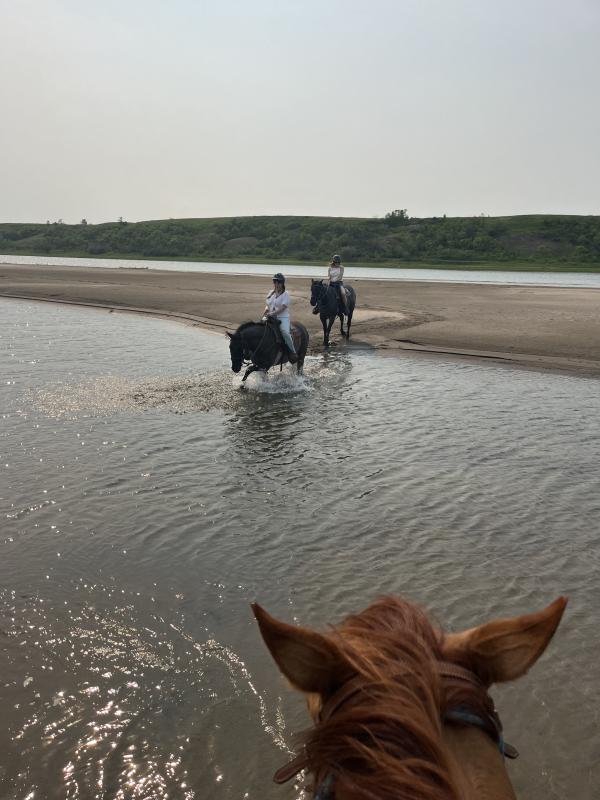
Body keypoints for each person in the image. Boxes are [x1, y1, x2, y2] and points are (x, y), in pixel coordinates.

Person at [263, 273, 298, 363]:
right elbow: (268, 305)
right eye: (275, 282)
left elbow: (283, 308)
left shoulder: (286, 294)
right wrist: (266, 310)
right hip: (270, 316)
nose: (276, 284)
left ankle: (293, 352)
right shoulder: (271, 293)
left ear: (282, 283)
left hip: (282, 317)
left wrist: (273, 313)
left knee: (285, 333)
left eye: (278, 282)